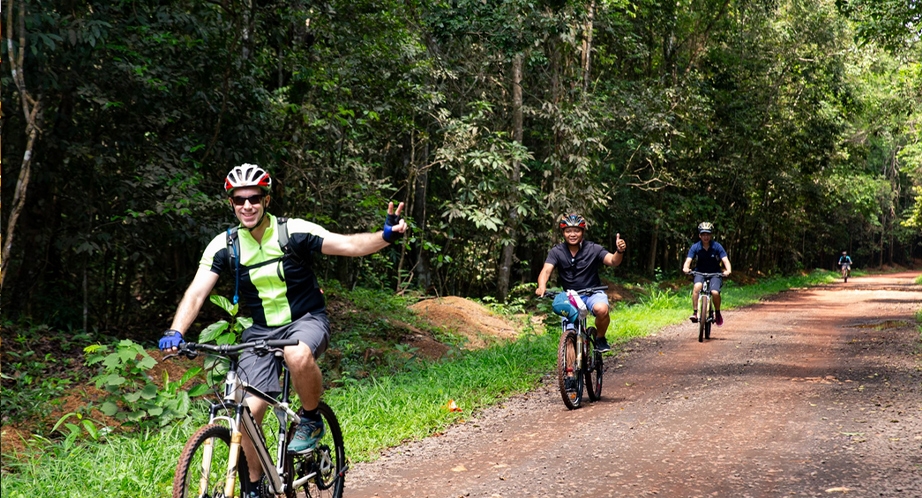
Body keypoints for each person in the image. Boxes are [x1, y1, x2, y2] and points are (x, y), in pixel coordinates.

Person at [159, 163, 407, 496]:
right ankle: (257, 486)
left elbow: (348, 245)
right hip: (261, 332)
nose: (247, 205)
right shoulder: (225, 245)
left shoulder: (293, 232)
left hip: (306, 320)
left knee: (296, 353)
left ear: (267, 199)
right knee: (246, 410)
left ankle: (311, 418)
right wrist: (176, 331)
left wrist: (385, 236)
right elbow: (197, 292)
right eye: (239, 200)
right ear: (231, 203)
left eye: (254, 198)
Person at [535, 213, 627, 352]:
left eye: (576, 230)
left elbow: (613, 261)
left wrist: (619, 251)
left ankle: (600, 338)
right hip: (570, 296)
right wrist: (541, 287)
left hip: (592, 292)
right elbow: (546, 270)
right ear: (563, 233)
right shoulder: (556, 251)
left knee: (601, 310)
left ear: (582, 232)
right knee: (570, 336)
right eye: (568, 231)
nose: (572, 234)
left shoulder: (593, 248)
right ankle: (570, 372)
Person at [682, 222, 731, 326]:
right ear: (700, 235)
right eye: (703, 234)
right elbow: (688, 260)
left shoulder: (717, 246)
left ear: (711, 235)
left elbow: (725, 260)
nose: (706, 237)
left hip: (715, 273)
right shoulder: (695, 247)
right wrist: (686, 268)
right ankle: (695, 312)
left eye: (708, 234)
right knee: (697, 287)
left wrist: (728, 270)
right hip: (699, 272)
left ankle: (717, 312)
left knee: (715, 292)